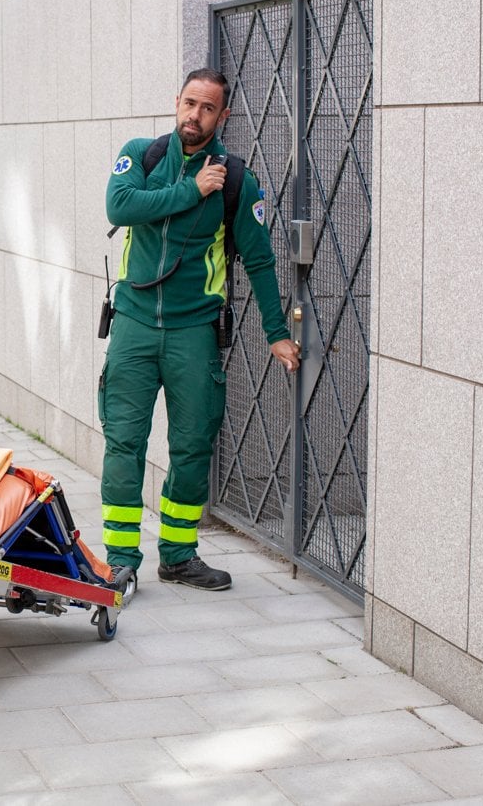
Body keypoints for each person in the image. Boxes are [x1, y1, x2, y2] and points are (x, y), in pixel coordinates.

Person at [100, 68, 301, 592]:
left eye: (207, 107)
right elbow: (121, 207)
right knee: (124, 442)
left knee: (192, 448)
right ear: (176, 102)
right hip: (135, 325)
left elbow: (259, 261)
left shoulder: (235, 180)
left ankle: (178, 555)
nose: (195, 115)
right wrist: (190, 190)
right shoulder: (141, 155)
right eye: (189, 103)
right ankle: (120, 559)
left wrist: (276, 332)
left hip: (194, 330)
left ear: (223, 115)